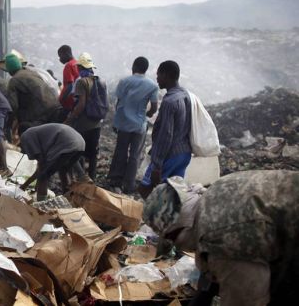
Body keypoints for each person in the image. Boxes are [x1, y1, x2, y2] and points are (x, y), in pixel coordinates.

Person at [143, 171, 299, 305]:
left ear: (179, 228)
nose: (179, 246)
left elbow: (247, 298)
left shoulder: (217, 237)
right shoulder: (215, 192)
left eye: (172, 240)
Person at [138, 60, 192, 198]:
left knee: (146, 190)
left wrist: (157, 165)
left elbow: (166, 135)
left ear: (167, 75)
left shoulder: (169, 102)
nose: (157, 78)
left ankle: (145, 219)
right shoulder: (185, 94)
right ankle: (166, 219)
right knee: (172, 194)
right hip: (184, 153)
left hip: (170, 155)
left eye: (159, 75)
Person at [107, 57, 159, 194]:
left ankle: (115, 181)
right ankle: (129, 185)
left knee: (121, 152)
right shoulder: (152, 85)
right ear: (146, 69)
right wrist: (146, 114)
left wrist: (116, 121)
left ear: (134, 67)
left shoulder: (124, 81)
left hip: (123, 123)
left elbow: (119, 103)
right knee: (135, 155)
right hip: (139, 125)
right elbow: (154, 108)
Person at [19, 123, 87, 201]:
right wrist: (28, 185)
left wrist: (26, 185)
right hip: (80, 143)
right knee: (63, 171)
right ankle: (68, 198)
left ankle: (40, 205)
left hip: (68, 143)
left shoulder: (25, 135)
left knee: (43, 176)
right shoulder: (39, 133)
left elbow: (42, 165)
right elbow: (41, 165)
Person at [4, 53, 63, 134]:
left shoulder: (14, 80)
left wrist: (7, 125)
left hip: (40, 116)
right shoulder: (33, 73)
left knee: (24, 131)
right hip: (55, 109)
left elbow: (12, 106)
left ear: (9, 70)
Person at [65, 53, 103, 180]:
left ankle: (81, 179)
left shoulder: (82, 82)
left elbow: (81, 105)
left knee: (78, 151)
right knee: (92, 154)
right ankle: (92, 180)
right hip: (96, 124)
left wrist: (70, 119)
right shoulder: (99, 80)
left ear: (81, 67)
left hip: (83, 124)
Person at [57, 45, 79, 112]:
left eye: (60, 56)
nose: (60, 59)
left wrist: (61, 101)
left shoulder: (69, 65)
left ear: (65, 54)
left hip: (69, 104)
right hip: (76, 102)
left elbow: (70, 86)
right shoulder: (77, 63)